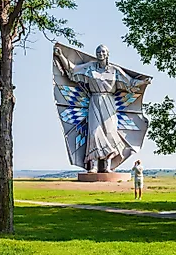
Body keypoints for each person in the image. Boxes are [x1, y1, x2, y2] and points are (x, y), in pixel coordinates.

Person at [54, 44, 150, 172]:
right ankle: (93, 165)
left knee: (110, 133)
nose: (101, 54)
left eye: (103, 52)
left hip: (109, 103)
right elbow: (72, 71)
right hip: (94, 101)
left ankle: (107, 166)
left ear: (107, 54)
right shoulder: (90, 68)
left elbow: (130, 82)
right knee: (94, 133)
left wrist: (143, 82)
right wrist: (60, 56)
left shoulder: (114, 70)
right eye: (98, 52)